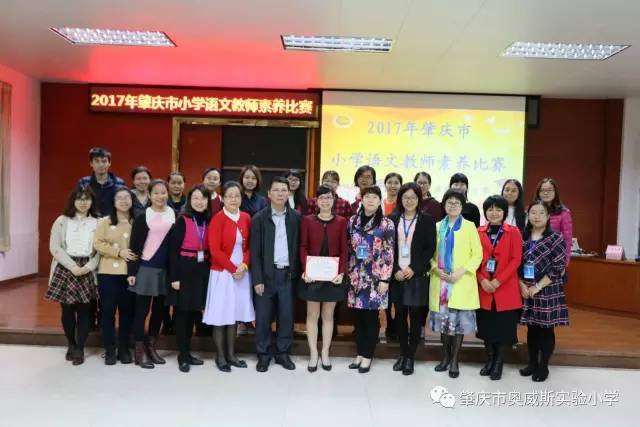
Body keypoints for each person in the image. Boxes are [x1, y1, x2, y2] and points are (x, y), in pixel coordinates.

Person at [429, 189, 482, 378]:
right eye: (449, 202)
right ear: (444, 205)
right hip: (441, 281)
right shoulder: (436, 227)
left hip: (461, 282)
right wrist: (436, 269)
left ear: (462, 206)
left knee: (458, 325)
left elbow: (477, 254)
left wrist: (460, 272)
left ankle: (454, 360)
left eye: (457, 203)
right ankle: (444, 357)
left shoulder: (469, 227)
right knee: (444, 325)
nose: (453, 206)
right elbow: (430, 254)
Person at [250, 176, 301, 372]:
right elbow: (255, 252)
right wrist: (257, 279)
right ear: (269, 194)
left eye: (284, 190)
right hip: (266, 276)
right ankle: (263, 354)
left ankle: (282, 353)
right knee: (263, 318)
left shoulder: (296, 218)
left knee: (286, 317)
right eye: (276, 190)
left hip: (287, 276)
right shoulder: (259, 218)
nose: (280, 193)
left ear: (289, 193)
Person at [203, 181, 254, 372]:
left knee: (234, 316)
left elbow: (249, 247)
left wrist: (244, 265)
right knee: (221, 316)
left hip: (241, 273)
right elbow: (214, 250)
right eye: (230, 196)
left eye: (237, 196)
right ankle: (220, 356)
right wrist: (233, 269)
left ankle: (232, 355)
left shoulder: (247, 217)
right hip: (223, 274)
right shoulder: (217, 219)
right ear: (222, 198)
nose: (233, 199)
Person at [45, 187, 100, 365]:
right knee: (67, 309)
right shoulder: (61, 220)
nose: (83, 202)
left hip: (87, 269)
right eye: (79, 199)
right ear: (73, 201)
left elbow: (101, 249)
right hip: (65, 267)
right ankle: (71, 343)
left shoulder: (98, 222)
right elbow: (55, 247)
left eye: (87, 199)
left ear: (92, 202)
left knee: (85, 310)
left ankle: (80, 348)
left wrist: (89, 266)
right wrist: (72, 266)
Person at [298, 185, 349, 372]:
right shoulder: (307, 221)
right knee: (312, 315)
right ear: (316, 202)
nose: (325, 201)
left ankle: (325, 353)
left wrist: (341, 273)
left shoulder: (342, 221)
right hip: (312, 275)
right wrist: (306, 269)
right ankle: (313, 354)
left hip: (333, 277)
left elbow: (345, 249)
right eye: (322, 198)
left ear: (334, 200)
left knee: (328, 315)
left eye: (329, 198)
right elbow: (302, 246)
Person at [127, 179, 176, 369]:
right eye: (156, 193)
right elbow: (134, 245)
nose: (160, 196)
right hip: (146, 268)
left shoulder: (174, 214)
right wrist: (132, 271)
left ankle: (151, 347)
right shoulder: (142, 216)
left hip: (165, 270)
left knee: (160, 311)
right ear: (149, 195)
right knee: (142, 311)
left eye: (163, 192)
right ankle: (139, 352)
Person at [519, 200, 569, 382]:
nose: (537, 216)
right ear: (528, 215)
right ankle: (532, 363)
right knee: (531, 329)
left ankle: (543, 366)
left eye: (541, 213)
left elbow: (558, 267)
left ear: (548, 217)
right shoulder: (522, 237)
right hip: (527, 289)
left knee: (546, 330)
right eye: (533, 212)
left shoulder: (556, 238)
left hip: (547, 289)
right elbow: (516, 263)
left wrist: (538, 287)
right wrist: (521, 285)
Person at [346, 186, 395, 373]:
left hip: (376, 279)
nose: (370, 200)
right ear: (361, 199)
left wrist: (385, 279)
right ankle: (359, 353)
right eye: (367, 196)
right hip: (356, 276)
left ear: (379, 200)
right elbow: (350, 249)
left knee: (371, 317)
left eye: (375, 197)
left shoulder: (386, 224)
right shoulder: (353, 221)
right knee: (358, 317)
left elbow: (389, 253)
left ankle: (367, 355)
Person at [389, 183, 436, 375]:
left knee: (416, 318)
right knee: (400, 316)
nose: (409, 201)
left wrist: (413, 268)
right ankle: (402, 353)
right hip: (397, 275)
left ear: (419, 199)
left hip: (416, 276)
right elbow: (386, 248)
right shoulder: (392, 219)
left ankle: (410, 356)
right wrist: (395, 269)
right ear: (400, 199)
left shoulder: (427, 220)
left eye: (413, 197)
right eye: (405, 197)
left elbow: (429, 248)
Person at [476, 195, 523, 380]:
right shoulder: (479, 232)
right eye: (490, 209)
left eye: (498, 209)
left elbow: (516, 259)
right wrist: (482, 279)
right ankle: (490, 359)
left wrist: (498, 280)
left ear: (504, 212)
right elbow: (474, 259)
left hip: (505, 288)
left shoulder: (513, 231)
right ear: (485, 212)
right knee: (486, 326)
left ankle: (499, 362)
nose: (494, 213)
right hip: (484, 287)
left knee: (503, 327)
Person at [166, 185, 211, 373]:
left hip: (202, 269)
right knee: (182, 315)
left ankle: (189, 353)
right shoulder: (182, 220)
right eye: (195, 198)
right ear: (189, 201)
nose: (199, 202)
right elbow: (172, 251)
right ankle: (182, 355)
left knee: (194, 314)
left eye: (203, 198)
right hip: (184, 269)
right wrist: (174, 277)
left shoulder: (209, 221)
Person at [94, 187, 137, 365]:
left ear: (132, 201)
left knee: (127, 312)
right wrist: (118, 252)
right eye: (119, 198)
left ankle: (124, 348)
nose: (124, 201)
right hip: (108, 273)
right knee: (108, 312)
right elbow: (97, 243)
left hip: (129, 274)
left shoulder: (137, 221)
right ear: (113, 202)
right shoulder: (104, 221)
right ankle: (110, 349)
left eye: (127, 197)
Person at [77, 146, 125, 217]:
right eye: (97, 161)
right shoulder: (84, 182)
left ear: (109, 163)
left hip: (112, 223)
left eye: (104, 161)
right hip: (89, 222)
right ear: (91, 163)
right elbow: (78, 204)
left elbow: (124, 205)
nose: (101, 165)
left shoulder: (119, 183)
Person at [535, 178, 573, 266]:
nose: (545, 193)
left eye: (549, 190)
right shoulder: (532, 210)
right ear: (538, 193)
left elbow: (567, 239)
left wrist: (565, 262)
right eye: (542, 190)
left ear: (555, 192)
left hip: (555, 258)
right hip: (535, 256)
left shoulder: (564, 213)